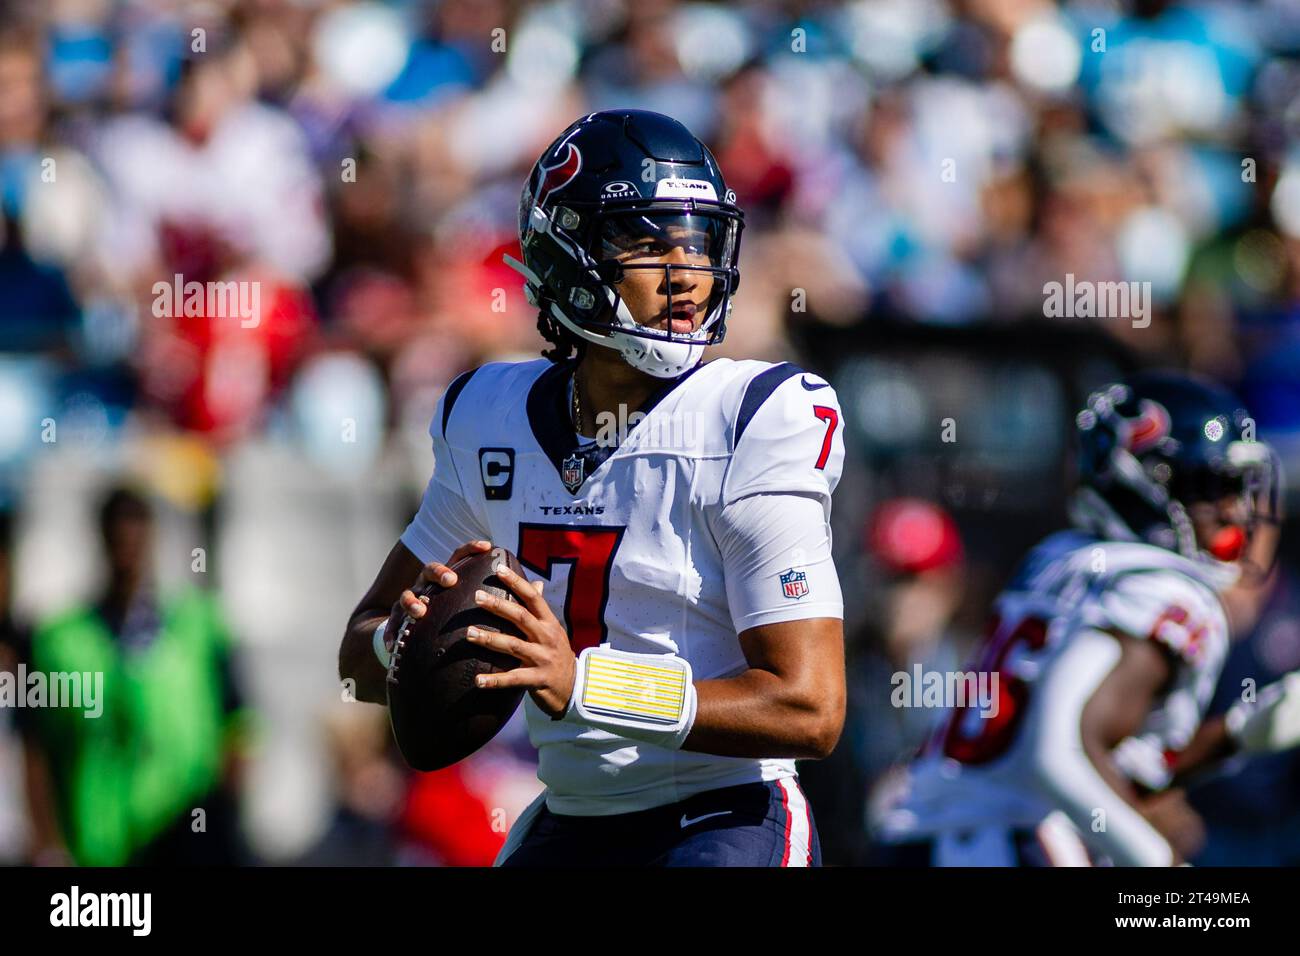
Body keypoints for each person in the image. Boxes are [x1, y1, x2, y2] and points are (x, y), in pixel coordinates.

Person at [339, 109, 847, 867]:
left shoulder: (754, 418)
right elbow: (357, 658)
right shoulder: (487, 417)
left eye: (698, 244)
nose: (686, 274)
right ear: (568, 256)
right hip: (572, 820)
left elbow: (810, 708)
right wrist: (417, 639)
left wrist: (584, 683)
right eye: (648, 244)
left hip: (724, 817)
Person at [873, 372, 1300, 866]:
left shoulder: (1061, 560)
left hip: (918, 841)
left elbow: (1091, 760)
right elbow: (1060, 752)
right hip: (1002, 848)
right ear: (1142, 484)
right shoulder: (1164, 590)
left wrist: (1235, 735)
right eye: (1210, 485)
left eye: (1238, 489)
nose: (1234, 510)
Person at [21, 486, 252, 865]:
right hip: (99, 845)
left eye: (137, 533)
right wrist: (49, 845)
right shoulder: (61, 641)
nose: (127, 548)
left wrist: (223, 821)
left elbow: (239, 727)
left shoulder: (196, 628)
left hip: (186, 839)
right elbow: (36, 747)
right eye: (117, 535)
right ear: (101, 539)